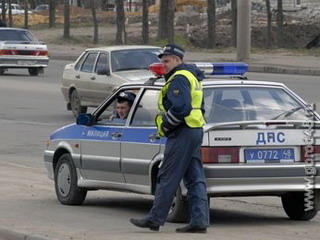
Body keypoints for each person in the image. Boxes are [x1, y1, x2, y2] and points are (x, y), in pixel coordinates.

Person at [130, 44, 209, 233]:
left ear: (177, 60)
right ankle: (199, 221)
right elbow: (199, 106)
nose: (163, 64)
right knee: (195, 178)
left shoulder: (179, 78)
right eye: (162, 61)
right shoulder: (191, 76)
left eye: (166, 61)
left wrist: (165, 125)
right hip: (194, 129)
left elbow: (182, 108)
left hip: (182, 132)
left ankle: (155, 218)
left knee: (167, 176)